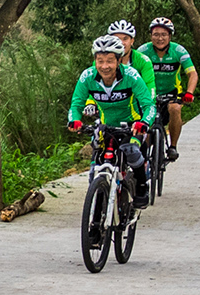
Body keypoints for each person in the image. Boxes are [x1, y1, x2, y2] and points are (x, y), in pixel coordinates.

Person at [68, 31, 159, 202]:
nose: (104, 66)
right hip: (105, 126)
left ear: (118, 61)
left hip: (131, 126)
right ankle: (97, 195)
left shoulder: (131, 76)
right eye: (100, 61)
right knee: (97, 157)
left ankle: (141, 186)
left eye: (110, 61)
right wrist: (75, 120)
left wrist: (144, 122)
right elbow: (76, 104)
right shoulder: (87, 77)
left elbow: (149, 106)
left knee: (131, 151)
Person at [134, 15, 196, 162]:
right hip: (148, 95)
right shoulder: (143, 51)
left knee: (175, 109)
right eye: (156, 34)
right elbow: (132, 74)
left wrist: (189, 93)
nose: (159, 38)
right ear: (151, 36)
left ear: (170, 36)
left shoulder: (178, 51)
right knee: (146, 129)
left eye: (163, 35)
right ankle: (142, 156)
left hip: (172, 94)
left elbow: (192, 74)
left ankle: (173, 146)